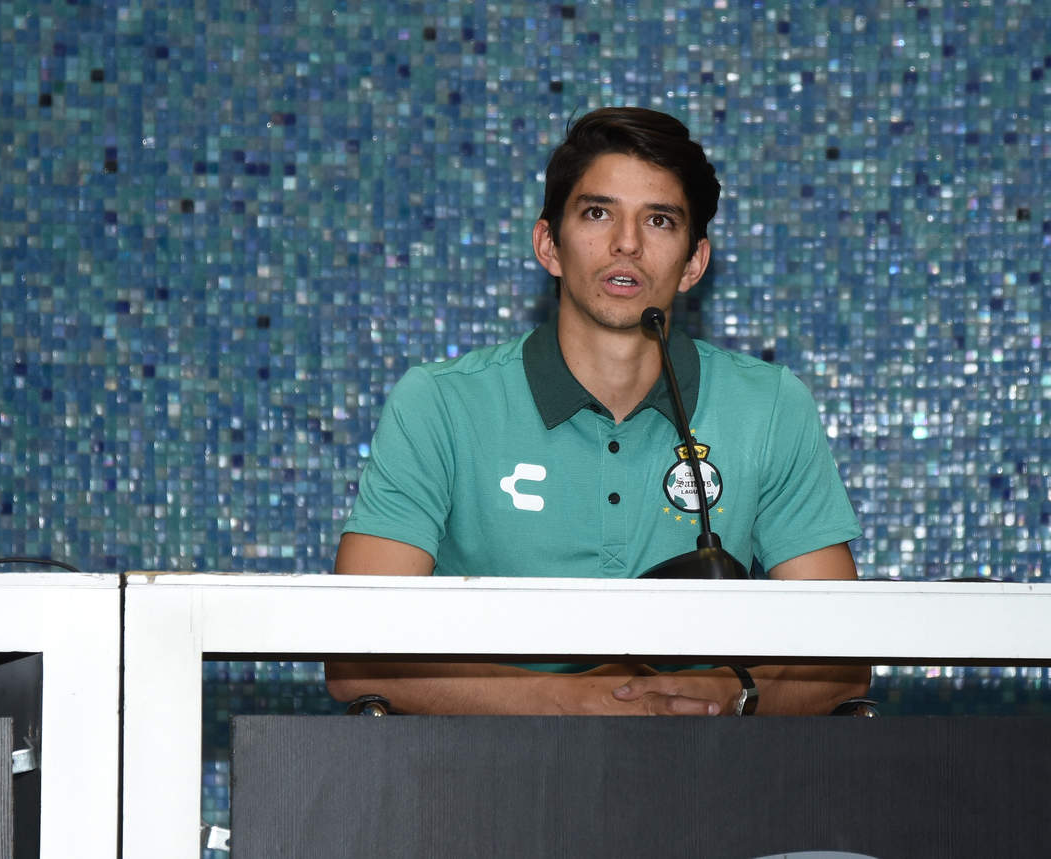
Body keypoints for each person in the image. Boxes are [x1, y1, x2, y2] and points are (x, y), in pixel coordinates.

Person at [325, 107, 868, 716]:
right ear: (548, 245)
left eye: (659, 220)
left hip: (706, 765)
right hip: (483, 768)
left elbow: (844, 662)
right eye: (597, 213)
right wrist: (571, 703)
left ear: (694, 263)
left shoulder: (768, 406)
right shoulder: (440, 404)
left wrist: (732, 692)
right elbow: (356, 656)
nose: (627, 243)